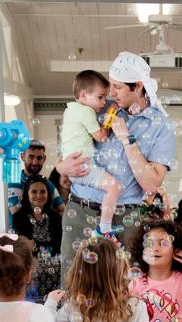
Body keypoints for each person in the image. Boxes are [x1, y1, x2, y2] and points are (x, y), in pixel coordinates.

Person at [60, 52, 176, 273]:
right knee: (72, 288)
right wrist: (61, 167)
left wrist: (126, 139)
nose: (110, 93)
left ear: (138, 86)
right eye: (110, 86)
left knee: (122, 290)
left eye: (118, 87)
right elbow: (68, 148)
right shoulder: (98, 106)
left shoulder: (161, 126)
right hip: (80, 212)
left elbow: (151, 184)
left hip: (124, 220)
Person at [56, 70, 122, 235]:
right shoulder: (86, 112)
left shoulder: (70, 110)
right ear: (84, 95)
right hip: (83, 166)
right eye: (100, 97)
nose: (104, 101)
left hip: (75, 165)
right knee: (114, 187)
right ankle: (104, 228)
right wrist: (111, 116)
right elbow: (101, 137)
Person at [12, 175, 63, 301]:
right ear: (27, 194)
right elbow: (25, 245)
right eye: (34, 191)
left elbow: (58, 244)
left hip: (55, 268)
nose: (38, 195)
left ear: (48, 194)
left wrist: (36, 244)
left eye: (42, 191)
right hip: (31, 269)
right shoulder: (19, 217)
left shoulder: (55, 217)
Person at [8, 140, 65, 218]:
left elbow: (62, 210)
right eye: (31, 157)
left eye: (39, 158)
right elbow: (17, 213)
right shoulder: (15, 181)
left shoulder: (48, 183)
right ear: (22, 157)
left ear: (44, 159)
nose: (35, 162)